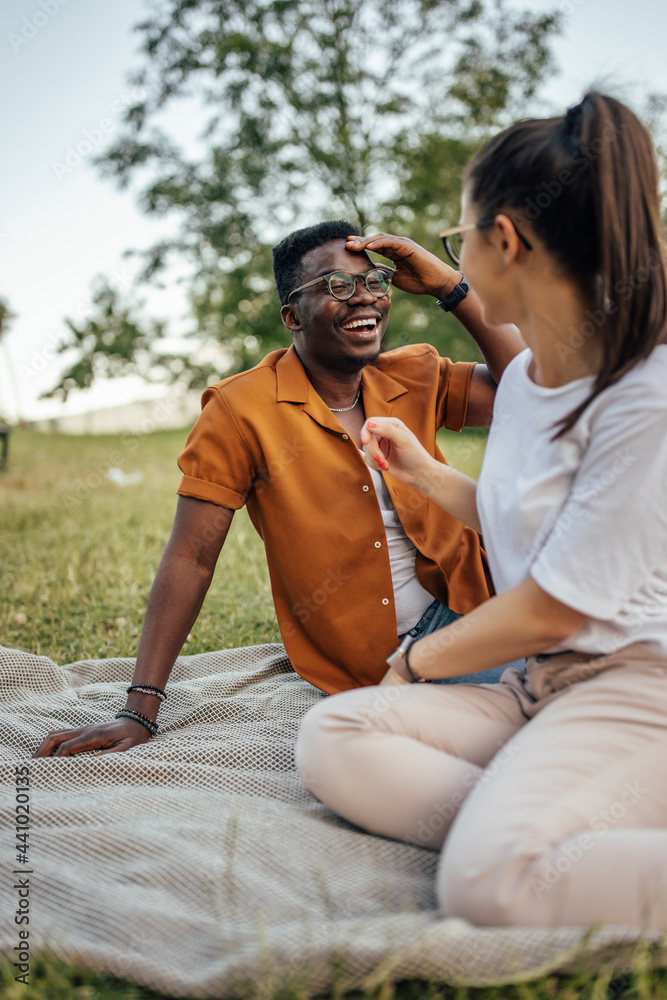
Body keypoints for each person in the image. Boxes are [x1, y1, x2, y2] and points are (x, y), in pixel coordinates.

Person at [295, 92, 667, 930]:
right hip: (536, 688)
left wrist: (421, 662)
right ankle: (552, 822)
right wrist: (423, 474)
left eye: (458, 231)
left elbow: (556, 602)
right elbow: (538, 528)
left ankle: (526, 847)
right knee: (333, 735)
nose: (452, 248)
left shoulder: (645, 394)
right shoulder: (535, 379)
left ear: (505, 238)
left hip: (637, 685)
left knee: (489, 887)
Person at [34, 219, 524, 758]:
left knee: (582, 677)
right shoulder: (239, 410)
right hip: (381, 661)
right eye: (337, 286)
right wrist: (138, 709)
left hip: (488, 607)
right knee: (551, 709)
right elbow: (192, 556)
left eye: (372, 282)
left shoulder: (413, 374)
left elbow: (530, 387)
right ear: (292, 315)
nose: (364, 298)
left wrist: (448, 286)